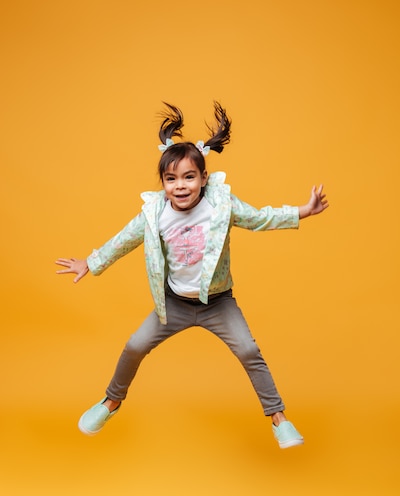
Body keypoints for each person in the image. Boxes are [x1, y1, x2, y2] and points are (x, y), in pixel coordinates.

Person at [56, 102, 329, 449]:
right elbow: (122, 240)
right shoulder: (155, 214)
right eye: (171, 179)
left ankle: (279, 419)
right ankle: (111, 402)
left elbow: (260, 218)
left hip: (218, 304)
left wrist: (302, 211)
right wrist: (91, 263)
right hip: (173, 305)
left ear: (204, 179)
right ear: (163, 183)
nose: (180, 186)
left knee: (248, 350)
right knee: (135, 345)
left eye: (189, 177)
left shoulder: (221, 206)